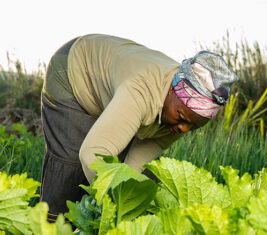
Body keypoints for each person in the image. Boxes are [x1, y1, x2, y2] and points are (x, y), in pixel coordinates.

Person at [39, 34, 238, 221]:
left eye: (194, 126)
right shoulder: (140, 90)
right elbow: (93, 154)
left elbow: (134, 166)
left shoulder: (182, 112)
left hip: (115, 87)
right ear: (171, 90)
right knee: (72, 164)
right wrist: (114, 210)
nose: (184, 129)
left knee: (140, 176)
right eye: (181, 118)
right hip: (73, 70)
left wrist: (127, 210)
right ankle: (50, 226)